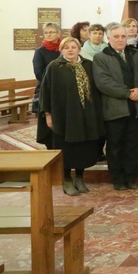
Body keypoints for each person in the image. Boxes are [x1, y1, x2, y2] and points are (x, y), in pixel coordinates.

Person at [40, 37, 104, 195]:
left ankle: (80, 178)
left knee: (83, 147)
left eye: (73, 47)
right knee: (66, 147)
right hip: (64, 116)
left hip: (85, 114)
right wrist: (48, 115)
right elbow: (45, 92)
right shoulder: (54, 67)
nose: (70, 50)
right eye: (66, 47)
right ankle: (66, 179)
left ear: (79, 49)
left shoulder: (88, 66)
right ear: (61, 50)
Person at [93, 23, 138, 190]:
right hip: (114, 108)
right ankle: (117, 178)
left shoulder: (137, 54)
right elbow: (103, 82)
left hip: (135, 108)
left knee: (133, 144)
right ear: (108, 38)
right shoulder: (101, 57)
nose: (120, 39)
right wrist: (127, 93)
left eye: (123, 36)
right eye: (116, 36)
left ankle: (131, 177)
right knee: (115, 145)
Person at [33, 22, 62, 148]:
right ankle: (50, 147)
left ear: (58, 33)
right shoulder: (40, 51)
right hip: (46, 90)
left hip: (64, 90)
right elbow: (39, 73)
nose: (48, 34)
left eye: (52, 32)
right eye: (46, 32)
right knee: (48, 123)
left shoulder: (64, 49)